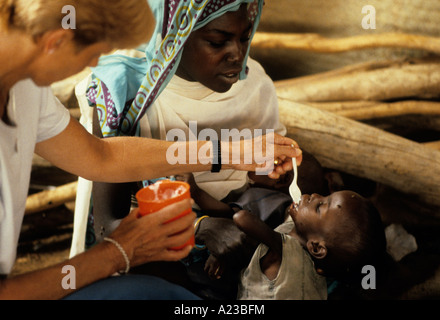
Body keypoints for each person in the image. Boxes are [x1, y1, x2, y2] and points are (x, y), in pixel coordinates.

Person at [0, 0, 300, 300]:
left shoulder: (25, 90)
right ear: (57, 41)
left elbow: (102, 156)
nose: (94, 66)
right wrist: (118, 253)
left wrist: (226, 154)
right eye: (93, 54)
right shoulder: (121, 93)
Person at [73, 0, 292, 268]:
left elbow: (265, 180)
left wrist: (277, 172)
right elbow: (108, 227)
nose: (237, 53)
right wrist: (199, 227)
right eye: (216, 42)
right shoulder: (126, 93)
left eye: (245, 37)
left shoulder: (254, 83)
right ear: (175, 36)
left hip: (243, 230)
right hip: (153, 255)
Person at [234, 190, 387, 300]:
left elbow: (241, 218)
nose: (315, 196)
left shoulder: (284, 253)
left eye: (320, 206)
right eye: (326, 195)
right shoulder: (319, 267)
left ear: (316, 248)